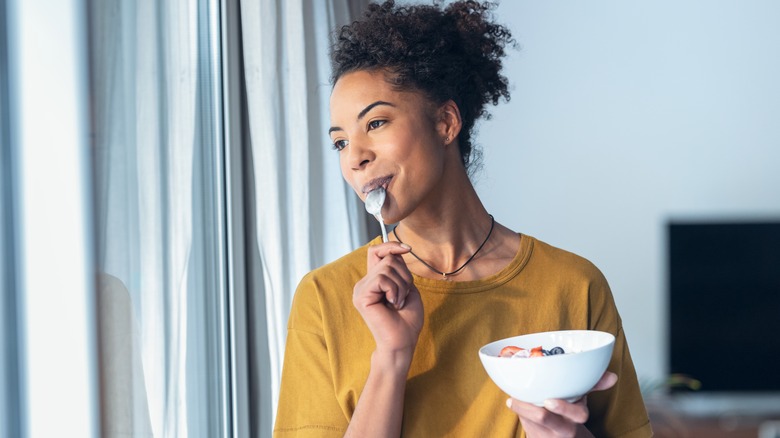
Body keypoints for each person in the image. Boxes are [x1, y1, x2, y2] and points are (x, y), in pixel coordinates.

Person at [274, 1, 652, 436]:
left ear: (446, 122)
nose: (355, 157)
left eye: (375, 123)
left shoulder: (575, 285)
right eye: (339, 142)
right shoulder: (325, 299)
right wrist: (392, 356)